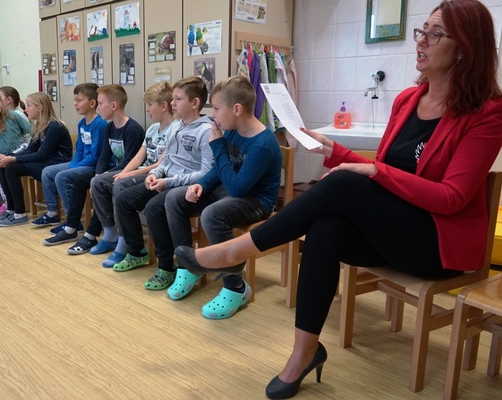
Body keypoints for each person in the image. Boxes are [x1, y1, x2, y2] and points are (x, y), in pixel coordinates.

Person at [174, 1, 502, 398]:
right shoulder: (407, 100)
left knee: (344, 185)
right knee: (325, 229)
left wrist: (374, 171)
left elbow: (451, 197)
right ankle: (304, 354)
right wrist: (332, 149)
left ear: (465, 47)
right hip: (393, 232)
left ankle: (235, 251)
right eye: (422, 31)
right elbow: (385, 170)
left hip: (436, 244)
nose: (421, 42)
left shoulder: (488, 112)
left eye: (436, 35)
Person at [162, 75, 282, 319]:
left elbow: (238, 188)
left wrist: (217, 146)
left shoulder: (262, 144)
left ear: (236, 109)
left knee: (212, 214)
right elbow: (220, 169)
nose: (213, 115)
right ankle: (189, 267)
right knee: (175, 199)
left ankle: (235, 287)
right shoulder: (232, 131)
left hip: (256, 201)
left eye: (216, 108)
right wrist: (201, 185)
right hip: (232, 190)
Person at [112, 76, 214, 281]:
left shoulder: (207, 130)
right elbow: (166, 161)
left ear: (195, 103)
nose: (172, 103)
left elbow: (206, 173)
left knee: (154, 208)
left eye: (178, 99)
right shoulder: (175, 127)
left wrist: (167, 182)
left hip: (187, 187)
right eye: (173, 98)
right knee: (124, 199)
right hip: (166, 181)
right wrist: (154, 174)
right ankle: (137, 252)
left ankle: (167, 266)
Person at [64, 82, 179, 257]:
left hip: (155, 175)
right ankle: (110, 232)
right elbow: (138, 158)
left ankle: (125, 239)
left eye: (149, 105)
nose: (146, 109)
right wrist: (123, 172)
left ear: (163, 106)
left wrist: (128, 174)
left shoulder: (174, 130)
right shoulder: (152, 129)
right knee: (97, 182)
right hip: (140, 172)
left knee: (119, 184)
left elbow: (160, 165)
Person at [43, 84, 145, 245]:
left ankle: (93, 234)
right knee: (81, 182)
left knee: (100, 185)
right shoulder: (110, 127)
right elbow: (104, 156)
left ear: (113, 105)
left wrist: (101, 177)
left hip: (126, 172)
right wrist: (98, 174)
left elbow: (130, 161)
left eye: (101, 103)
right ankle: (71, 227)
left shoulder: (133, 129)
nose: (98, 107)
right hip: (110, 171)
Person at [0, 92, 73, 226]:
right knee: (0, 165)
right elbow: (30, 150)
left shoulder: (54, 126)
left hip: (55, 164)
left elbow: (42, 154)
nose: (26, 109)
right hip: (44, 162)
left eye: (29, 106)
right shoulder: (38, 125)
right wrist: (7, 157)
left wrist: (12, 159)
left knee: (11, 168)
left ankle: (20, 214)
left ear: (40, 108)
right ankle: (11, 209)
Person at [32, 83, 106, 230]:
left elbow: (96, 155)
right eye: (74, 100)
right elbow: (79, 150)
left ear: (92, 103)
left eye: (79, 100)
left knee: (62, 176)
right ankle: (52, 213)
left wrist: (74, 167)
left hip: (93, 166)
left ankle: (73, 221)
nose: (75, 103)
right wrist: (73, 165)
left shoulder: (100, 124)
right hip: (81, 163)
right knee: (47, 172)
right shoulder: (82, 123)